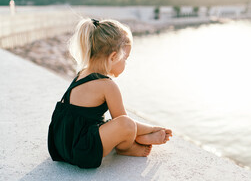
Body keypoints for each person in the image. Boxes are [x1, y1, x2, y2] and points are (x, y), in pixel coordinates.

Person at [48, 18, 172, 169]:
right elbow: (124, 122)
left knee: (115, 124)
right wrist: (152, 128)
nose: (126, 63)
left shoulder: (83, 73)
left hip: (62, 143)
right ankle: (126, 148)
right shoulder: (108, 86)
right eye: (125, 58)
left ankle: (139, 137)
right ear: (113, 57)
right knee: (126, 125)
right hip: (81, 151)